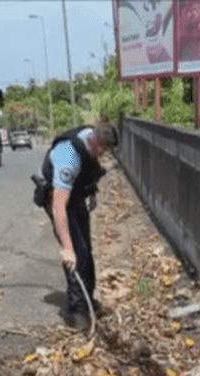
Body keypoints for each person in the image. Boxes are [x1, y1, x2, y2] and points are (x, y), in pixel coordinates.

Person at [40, 122, 119, 329]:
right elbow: (59, 207)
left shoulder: (92, 137)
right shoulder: (69, 157)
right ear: (94, 142)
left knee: (87, 251)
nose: (102, 156)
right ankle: (77, 311)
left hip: (76, 195)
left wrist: (92, 191)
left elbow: (90, 169)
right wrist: (67, 248)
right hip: (58, 198)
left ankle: (88, 300)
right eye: (101, 151)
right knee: (76, 254)